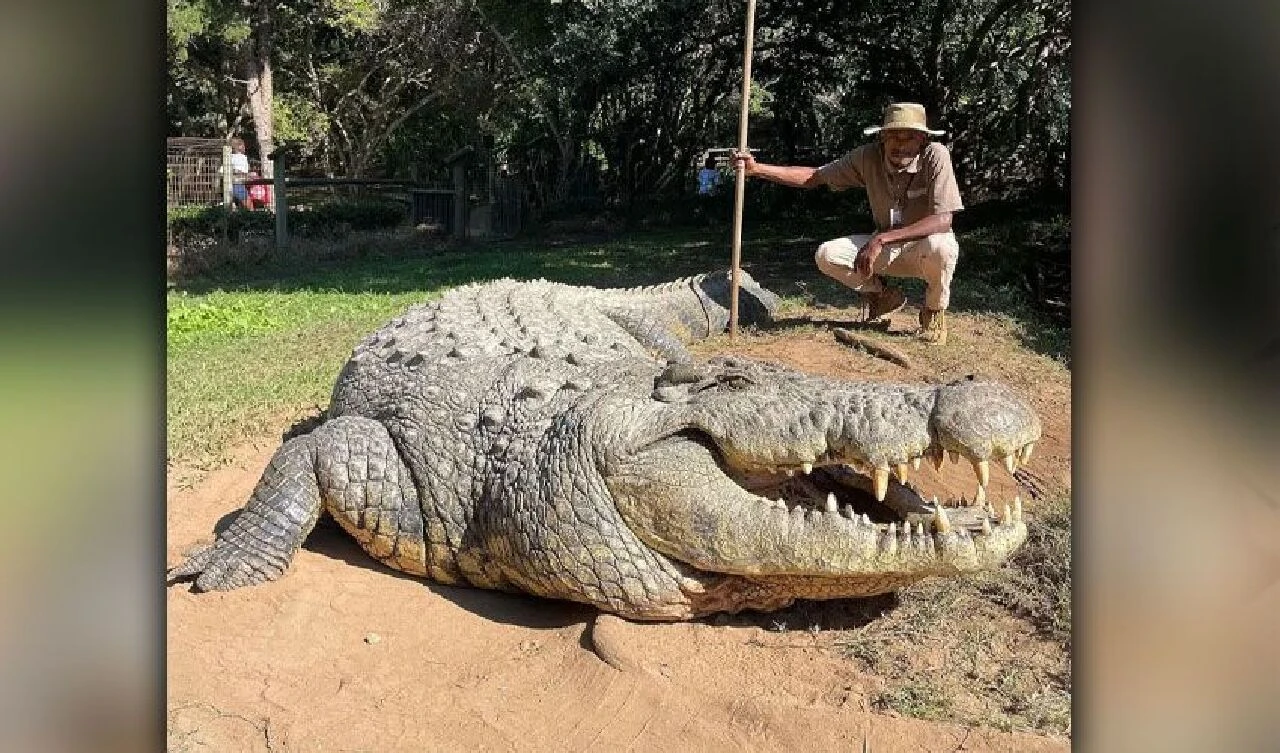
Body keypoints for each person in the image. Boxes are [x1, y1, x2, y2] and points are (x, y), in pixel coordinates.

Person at [736, 102, 963, 344]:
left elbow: (943, 220)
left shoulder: (936, 155)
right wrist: (756, 169)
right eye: (893, 136)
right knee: (827, 254)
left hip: (922, 248)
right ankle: (881, 295)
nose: (900, 144)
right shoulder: (867, 157)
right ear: (882, 138)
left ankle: (933, 312)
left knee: (943, 246)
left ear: (922, 139)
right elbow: (815, 176)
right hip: (885, 248)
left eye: (909, 137)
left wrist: (880, 239)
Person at [229, 137, 254, 210]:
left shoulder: (236, 157)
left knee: (241, 208)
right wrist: (246, 174)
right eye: (243, 145)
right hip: (237, 184)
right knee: (250, 207)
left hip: (240, 184)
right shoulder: (235, 157)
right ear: (239, 146)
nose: (244, 147)